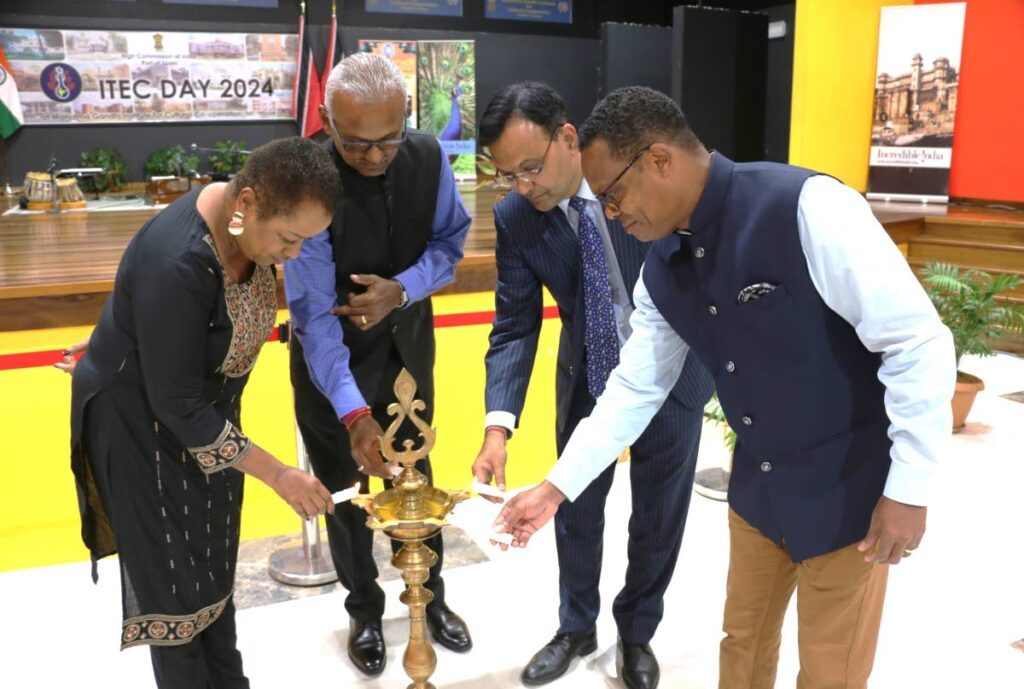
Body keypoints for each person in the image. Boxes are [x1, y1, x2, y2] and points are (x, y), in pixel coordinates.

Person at [494, 86, 956, 689]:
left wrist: (910, 487)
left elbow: (916, 343)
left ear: (659, 159)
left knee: (830, 667)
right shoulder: (660, 265)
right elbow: (637, 384)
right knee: (742, 647)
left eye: (613, 195)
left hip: (850, 497)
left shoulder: (806, 207)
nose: (610, 213)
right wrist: (556, 487)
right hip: (757, 494)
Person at [67, 136, 341, 689]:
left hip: (206, 428)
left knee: (212, 577)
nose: (292, 255)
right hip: (143, 431)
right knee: (175, 601)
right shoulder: (180, 260)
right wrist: (281, 473)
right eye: (289, 239)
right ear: (247, 203)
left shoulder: (244, 231)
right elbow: (174, 401)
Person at [472, 82, 713, 689]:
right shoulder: (517, 217)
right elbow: (514, 324)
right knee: (573, 506)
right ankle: (576, 627)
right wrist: (497, 427)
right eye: (509, 176)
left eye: (531, 167)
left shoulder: (644, 184)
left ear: (568, 138)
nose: (524, 186)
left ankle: (636, 634)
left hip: (674, 374)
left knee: (660, 512)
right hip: (590, 376)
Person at [285, 52, 471, 677]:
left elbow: (450, 245)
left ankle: (432, 596)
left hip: (406, 353)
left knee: (415, 476)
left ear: (406, 119)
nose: (372, 156)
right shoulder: (306, 175)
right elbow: (313, 316)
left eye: (387, 139)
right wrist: (354, 413)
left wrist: (404, 289)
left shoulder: (427, 157)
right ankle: (364, 611)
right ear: (326, 120)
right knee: (344, 491)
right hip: (328, 363)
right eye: (355, 143)